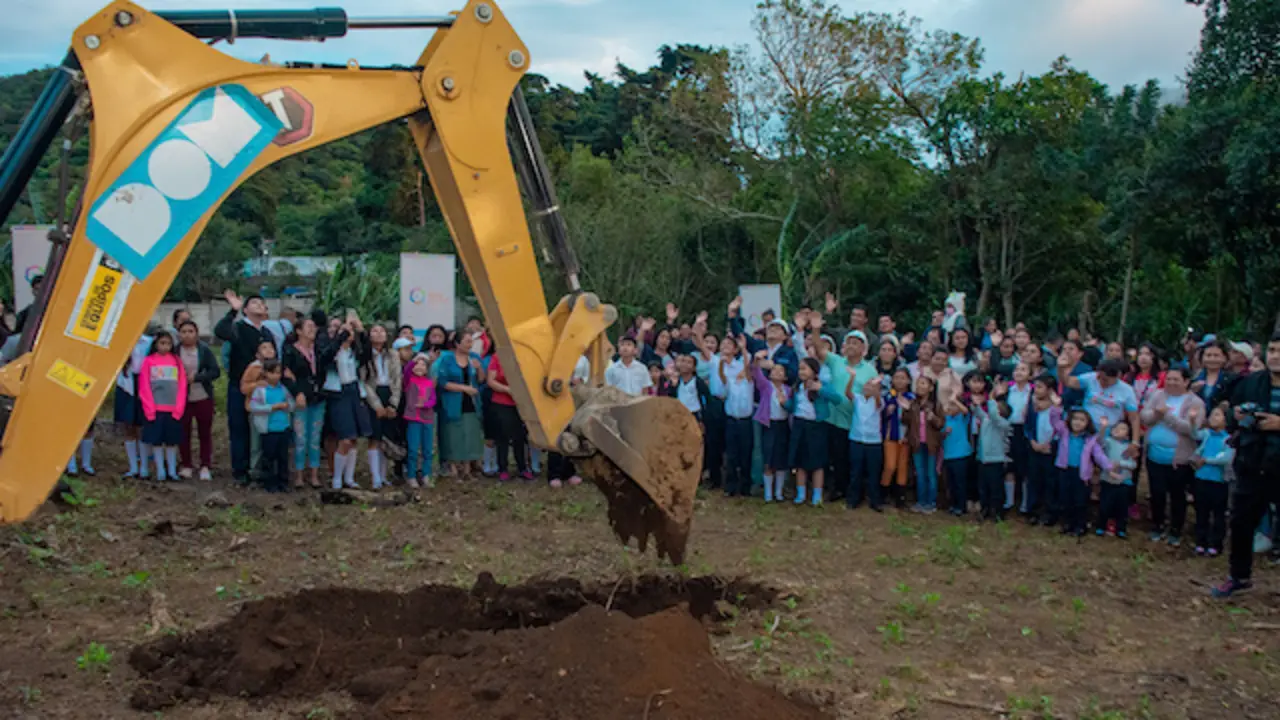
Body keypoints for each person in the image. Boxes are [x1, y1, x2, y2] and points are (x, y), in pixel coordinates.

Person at [1212, 333, 1280, 598]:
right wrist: (1236, 416)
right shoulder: (1250, 383)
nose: (1275, 355)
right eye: (1272, 349)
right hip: (1252, 462)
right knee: (1241, 521)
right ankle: (1239, 577)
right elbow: (1228, 414)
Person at [215, 290, 277, 485]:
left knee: (260, 430)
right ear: (245, 309)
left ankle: (259, 470)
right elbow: (220, 331)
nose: (259, 305)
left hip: (264, 387)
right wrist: (232, 311)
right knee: (240, 428)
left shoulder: (267, 332)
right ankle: (240, 472)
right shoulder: (238, 327)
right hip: (240, 386)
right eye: (254, 303)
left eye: (262, 303)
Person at [1140, 367, 1205, 546]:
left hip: (1179, 458)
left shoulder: (1195, 402)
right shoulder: (1158, 395)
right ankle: (1157, 525)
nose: (1171, 383)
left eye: (1176, 379)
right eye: (1168, 379)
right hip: (1154, 455)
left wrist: (1167, 416)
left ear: (1186, 382)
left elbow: (1191, 429)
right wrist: (1156, 414)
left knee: (1177, 495)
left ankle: (1176, 529)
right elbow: (1145, 417)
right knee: (1157, 492)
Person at [283, 315, 333, 490]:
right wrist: (297, 392)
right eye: (308, 327)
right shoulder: (290, 351)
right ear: (298, 331)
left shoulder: (318, 350)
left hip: (318, 398)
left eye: (314, 327)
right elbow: (287, 376)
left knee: (314, 437)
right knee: (300, 437)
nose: (313, 330)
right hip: (301, 400)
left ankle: (314, 474)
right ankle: (298, 474)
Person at [322, 318, 371, 489]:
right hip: (338, 393)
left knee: (354, 438)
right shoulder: (332, 351)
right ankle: (337, 477)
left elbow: (368, 352)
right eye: (344, 331)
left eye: (350, 332)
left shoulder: (355, 352)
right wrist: (339, 338)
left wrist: (361, 330)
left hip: (354, 391)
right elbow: (325, 356)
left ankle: (349, 477)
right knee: (344, 438)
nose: (347, 334)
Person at [1052, 407, 1112, 537]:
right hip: (1065, 470)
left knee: (1080, 500)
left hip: (1081, 474)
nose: (1078, 422)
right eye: (1075, 419)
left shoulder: (1090, 440)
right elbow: (1055, 421)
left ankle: (1080, 525)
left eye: (1082, 420)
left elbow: (1099, 455)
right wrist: (1056, 408)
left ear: (1087, 423)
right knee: (1066, 498)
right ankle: (1068, 523)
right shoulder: (1065, 433)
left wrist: (1109, 467)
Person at [790, 357, 840, 506]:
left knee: (817, 462)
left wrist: (820, 389)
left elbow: (837, 399)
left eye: (805, 368)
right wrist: (783, 402)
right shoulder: (797, 386)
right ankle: (801, 493)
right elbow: (793, 406)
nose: (801, 372)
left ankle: (817, 494)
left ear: (814, 371)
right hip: (799, 424)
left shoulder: (822, 384)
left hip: (816, 426)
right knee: (800, 461)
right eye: (800, 369)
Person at [434, 331, 485, 479]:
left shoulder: (474, 358)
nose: (470, 345)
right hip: (453, 401)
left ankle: (468, 467)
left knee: (470, 432)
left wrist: (479, 368)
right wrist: (464, 388)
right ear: (457, 344)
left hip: (472, 402)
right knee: (453, 434)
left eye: (471, 342)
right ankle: (453, 466)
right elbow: (443, 382)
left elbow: (481, 379)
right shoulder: (448, 359)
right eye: (467, 341)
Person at [138, 333, 187, 482]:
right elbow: (144, 386)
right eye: (162, 343)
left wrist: (179, 408)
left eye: (168, 344)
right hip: (156, 409)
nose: (165, 347)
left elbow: (182, 386)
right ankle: (160, 470)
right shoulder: (149, 361)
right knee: (157, 442)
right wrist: (149, 409)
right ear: (156, 344)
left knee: (171, 442)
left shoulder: (176, 362)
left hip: (173, 410)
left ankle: (172, 471)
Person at [176, 320, 219, 481]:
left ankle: (205, 465)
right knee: (183, 432)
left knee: (204, 432)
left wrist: (198, 377)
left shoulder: (204, 350)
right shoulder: (175, 351)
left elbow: (215, 371)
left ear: (197, 333)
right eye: (184, 332)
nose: (187, 335)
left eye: (190, 331)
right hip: (182, 398)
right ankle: (186, 464)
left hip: (203, 396)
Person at [361, 324, 403, 490]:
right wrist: (376, 404)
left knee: (387, 437)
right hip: (373, 394)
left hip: (389, 392)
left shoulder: (393, 355)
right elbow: (364, 382)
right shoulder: (365, 355)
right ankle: (375, 477)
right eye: (375, 331)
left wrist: (394, 403)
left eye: (382, 331)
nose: (379, 334)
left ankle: (384, 475)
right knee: (375, 437)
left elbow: (397, 379)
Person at [1192, 406, 1233, 556]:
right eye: (1211, 415)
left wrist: (1206, 460)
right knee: (1201, 512)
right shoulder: (1206, 435)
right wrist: (1192, 420)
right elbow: (1194, 433)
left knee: (1218, 514)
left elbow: (1226, 458)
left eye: (1217, 415)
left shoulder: (1228, 439)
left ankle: (1216, 543)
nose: (1213, 418)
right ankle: (1200, 542)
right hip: (1202, 478)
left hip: (1218, 481)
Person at [248, 360, 295, 493]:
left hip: (283, 427)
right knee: (269, 456)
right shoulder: (260, 391)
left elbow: (291, 403)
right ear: (266, 374)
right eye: (272, 373)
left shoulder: (283, 389)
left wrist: (287, 406)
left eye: (278, 373)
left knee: (283, 456)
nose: (276, 376)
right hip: (268, 429)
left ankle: (283, 481)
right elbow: (254, 407)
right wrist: (272, 407)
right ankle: (269, 482)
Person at [749, 351, 789, 503]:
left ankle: (778, 492)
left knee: (781, 458)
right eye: (774, 370)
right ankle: (767, 492)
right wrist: (757, 360)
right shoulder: (766, 386)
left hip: (783, 425)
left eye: (781, 371)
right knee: (768, 456)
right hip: (769, 424)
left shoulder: (788, 390)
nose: (777, 372)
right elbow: (756, 374)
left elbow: (791, 406)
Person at [487, 349, 531, 480]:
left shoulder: (525, 356)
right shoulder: (497, 357)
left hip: (521, 403)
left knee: (520, 436)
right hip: (502, 402)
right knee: (503, 436)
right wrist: (508, 390)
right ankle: (503, 468)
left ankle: (523, 467)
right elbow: (491, 380)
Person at [903, 374, 944, 513]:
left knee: (931, 474)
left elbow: (940, 424)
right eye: (918, 383)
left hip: (931, 444)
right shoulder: (913, 404)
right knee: (919, 473)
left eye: (923, 384)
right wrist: (906, 409)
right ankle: (921, 501)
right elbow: (905, 421)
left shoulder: (936, 405)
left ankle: (931, 502)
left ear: (931, 388)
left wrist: (933, 418)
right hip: (917, 443)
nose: (920, 386)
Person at [1025, 375, 1062, 525]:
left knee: (1050, 481)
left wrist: (1050, 444)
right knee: (1034, 479)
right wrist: (1033, 441)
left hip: (1050, 449)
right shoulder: (1032, 404)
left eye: (1040, 387)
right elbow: (1028, 425)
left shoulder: (1057, 407)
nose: (1036, 390)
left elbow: (1060, 428)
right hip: (1035, 446)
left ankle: (1050, 512)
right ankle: (1033, 510)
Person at [879, 367, 914, 509]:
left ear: (909, 380)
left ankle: (900, 497)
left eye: (903, 378)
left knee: (902, 467)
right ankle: (883, 494)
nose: (899, 381)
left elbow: (915, 419)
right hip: (891, 436)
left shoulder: (912, 398)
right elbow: (881, 415)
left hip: (905, 437)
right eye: (897, 377)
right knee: (890, 466)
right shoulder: (888, 396)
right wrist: (887, 411)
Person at [1098, 419, 1138, 537]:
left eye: (1123, 428)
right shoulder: (1108, 442)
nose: (1118, 429)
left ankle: (1121, 528)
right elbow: (1100, 442)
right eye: (1116, 427)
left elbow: (1133, 465)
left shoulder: (1129, 449)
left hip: (1123, 481)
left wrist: (1120, 464)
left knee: (1122, 507)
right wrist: (1103, 428)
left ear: (1127, 436)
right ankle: (1101, 525)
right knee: (1105, 504)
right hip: (1107, 479)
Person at [402, 353, 438, 488]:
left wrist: (426, 405)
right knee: (413, 448)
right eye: (417, 364)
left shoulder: (429, 382)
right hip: (413, 418)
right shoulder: (409, 381)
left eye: (423, 365)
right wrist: (413, 361)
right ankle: (411, 475)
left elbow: (433, 399)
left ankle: (426, 474)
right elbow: (406, 372)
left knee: (428, 449)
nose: (420, 367)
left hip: (427, 419)